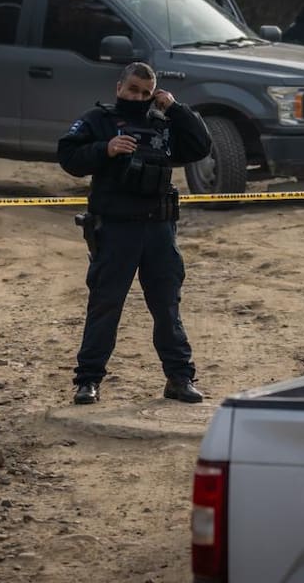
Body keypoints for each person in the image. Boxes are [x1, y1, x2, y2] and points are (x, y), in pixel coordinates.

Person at [58, 62, 213, 405]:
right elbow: (68, 155)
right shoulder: (99, 120)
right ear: (119, 88)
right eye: (133, 90)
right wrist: (106, 150)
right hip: (115, 230)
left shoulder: (165, 123)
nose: (138, 97)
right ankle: (88, 382)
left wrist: (175, 107)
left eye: (145, 92)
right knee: (105, 306)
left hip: (158, 230)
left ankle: (179, 378)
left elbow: (201, 146)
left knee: (167, 307)